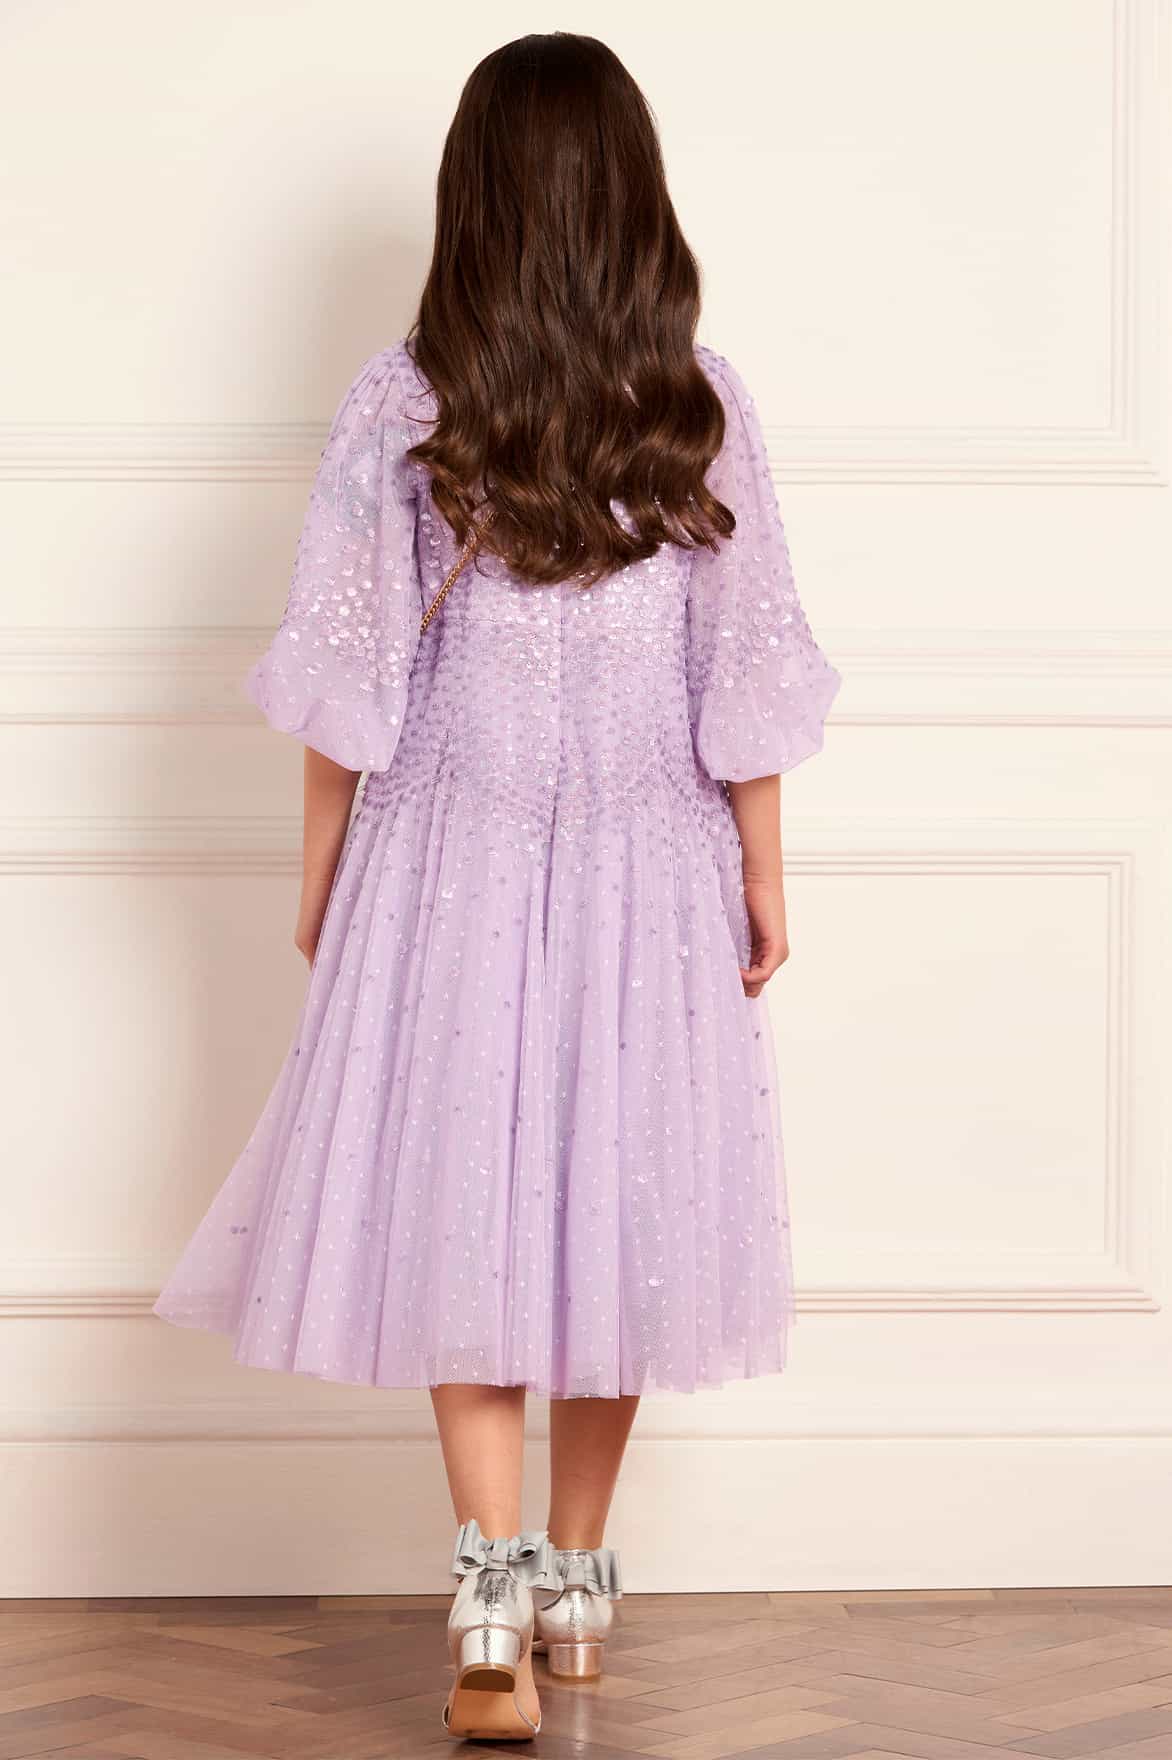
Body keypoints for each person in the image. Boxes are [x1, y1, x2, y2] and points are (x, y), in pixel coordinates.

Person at [153, 31, 840, 1741]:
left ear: (475, 199)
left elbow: (348, 663)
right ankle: (578, 1587)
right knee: (628, 1197)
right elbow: (743, 664)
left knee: (468, 1196)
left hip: (447, 849)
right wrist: (765, 874)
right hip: (651, 849)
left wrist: (324, 877)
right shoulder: (695, 403)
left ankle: (486, 1590)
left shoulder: (408, 400)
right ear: (634, 200)